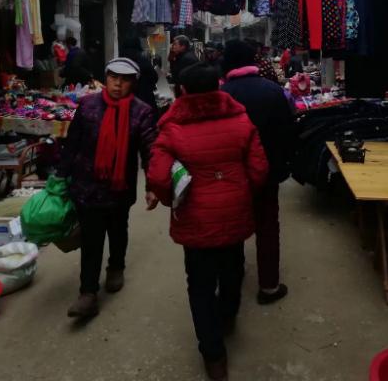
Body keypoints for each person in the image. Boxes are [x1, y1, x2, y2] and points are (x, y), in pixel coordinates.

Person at [148, 63, 268, 381]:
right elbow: (259, 171)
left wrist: (171, 199)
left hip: (196, 219)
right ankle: (227, 317)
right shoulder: (241, 120)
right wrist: (240, 192)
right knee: (232, 269)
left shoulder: (172, 127)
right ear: (218, 86)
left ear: (183, 91)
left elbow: (158, 177)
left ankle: (214, 356)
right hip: (234, 212)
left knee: (200, 285)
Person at [57, 57, 158, 319]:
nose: (117, 84)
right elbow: (72, 142)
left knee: (117, 230)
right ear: (106, 78)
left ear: (133, 83)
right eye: (113, 78)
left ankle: (116, 267)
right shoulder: (88, 105)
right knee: (91, 239)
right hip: (87, 184)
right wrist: (60, 176)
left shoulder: (142, 112)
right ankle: (88, 293)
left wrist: (152, 185)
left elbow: (150, 151)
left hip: (119, 187)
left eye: (124, 80)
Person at [221, 39, 294, 305]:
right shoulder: (273, 91)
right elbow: (288, 131)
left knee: (234, 225)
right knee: (267, 226)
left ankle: (235, 275)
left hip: (231, 174)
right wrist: (283, 164)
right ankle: (269, 286)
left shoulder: (222, 94)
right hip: (267, 172)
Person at [120, 36, 159, 111]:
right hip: (144, 98)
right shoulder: (143, 60)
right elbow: (154, 77)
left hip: (124, 100)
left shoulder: (120, 61)